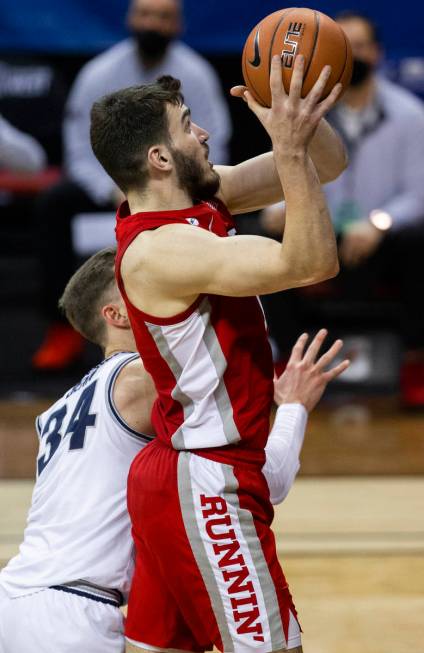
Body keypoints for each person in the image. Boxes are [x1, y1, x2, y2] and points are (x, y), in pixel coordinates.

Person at [90, 51, 347, 652]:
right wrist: (284, 151)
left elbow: (325, 164)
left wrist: (298, 111)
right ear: (159, 158)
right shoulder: (158, 250)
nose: (203, 132)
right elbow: (309, 263)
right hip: (207, 479)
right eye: (187, 124)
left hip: (180, 471)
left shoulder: (204, 195)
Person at [0, 247, 349, 652]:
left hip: (17, 596)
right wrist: (292, 409)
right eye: (143, 289)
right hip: (72, 612)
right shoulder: (141, 380)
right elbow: (257, 480)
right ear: (116, 314)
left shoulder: (61, 408)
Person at [32, 0, 232, 372]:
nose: (152, 24)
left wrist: (174, 187)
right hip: (112, 186)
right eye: (145, 14)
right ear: (129, 19)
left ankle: (205, 329)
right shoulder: (99, 73)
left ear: (179, 25)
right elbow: (78, 149)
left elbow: (213, 141)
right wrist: (119, 190)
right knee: (53, 204)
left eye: (163, 17)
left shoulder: (197, 75)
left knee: (222, 201)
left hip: (175, 184)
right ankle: (62, 327)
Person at [260, 12, 424, 406]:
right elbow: (280, 173)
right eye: (346, 49)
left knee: (420, 243)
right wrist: (278, 209)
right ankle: (283, 361)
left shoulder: (410, 115)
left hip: (381, 241)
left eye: (362, 46)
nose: (356, 56)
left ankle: (416, 362)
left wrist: (378, 222)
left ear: (379, 52)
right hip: (319, 235)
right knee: (261, 239)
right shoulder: (301, 114)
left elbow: (418, 195)